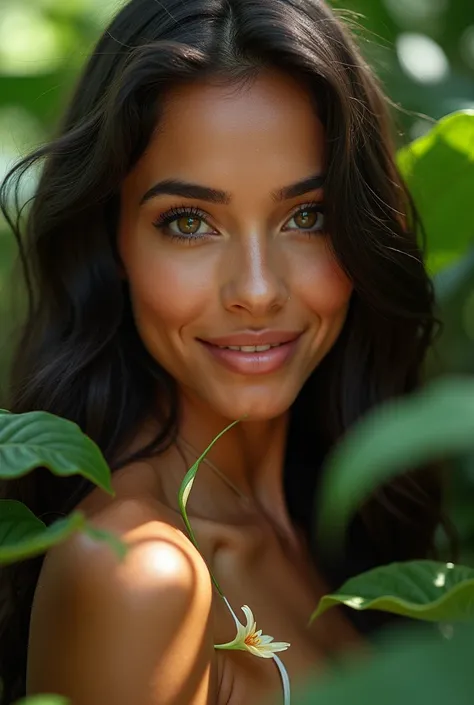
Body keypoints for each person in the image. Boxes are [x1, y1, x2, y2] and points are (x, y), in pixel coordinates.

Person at [0, 0, 448, 703]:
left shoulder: (336, 512)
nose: (258, 291)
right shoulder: (138, 573)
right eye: (188, 222)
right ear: (110, 241)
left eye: (309, 216)